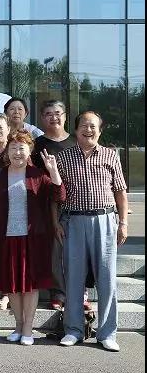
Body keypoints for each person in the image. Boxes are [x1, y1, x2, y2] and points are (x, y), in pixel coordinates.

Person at [55, 111, 128, 352]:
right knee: (74, 277)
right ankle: (74, 330)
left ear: (100, 130)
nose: (89, 130)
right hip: (73, 222)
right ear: (75, 130)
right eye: (84, 126)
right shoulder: (64, 157)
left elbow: (120, 191)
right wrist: (55, 222)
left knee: (106, 278)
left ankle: (107, 333)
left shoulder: (110, 155)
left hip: (105, 220)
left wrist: (123, 223)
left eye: (93, 126)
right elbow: (55, 195)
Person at [0, 131, 65, 346]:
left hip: (33, 238)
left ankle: (29, 329)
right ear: (8, 151)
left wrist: (53, 171)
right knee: (12, 285)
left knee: (30, 284)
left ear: (29, 150)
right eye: (13, 148)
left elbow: (59, 195)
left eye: (22, 148)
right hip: (7, 237)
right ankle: (18, 326)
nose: (17, 152)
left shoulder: (37, 175)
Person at [32, 100, 77, 310]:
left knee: (77, 249)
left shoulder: (77, 141)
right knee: (56, 249)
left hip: (78, 200)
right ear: (42, 118)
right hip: (49, 203)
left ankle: (79, 292)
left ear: (65, 116)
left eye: (58, 113)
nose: (54, 117)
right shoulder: (38, 144)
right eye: (48, 114)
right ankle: (58, 292)